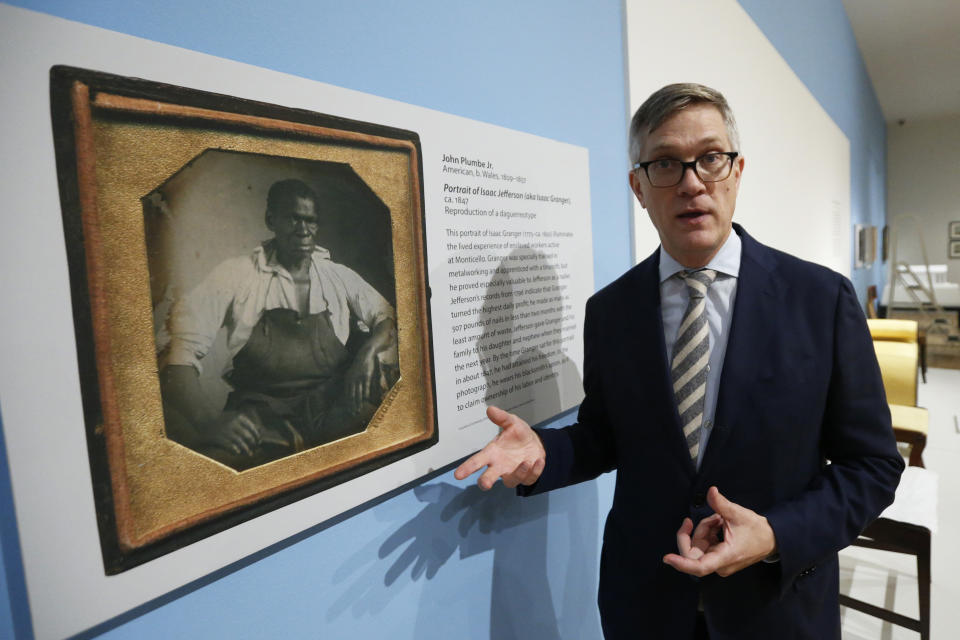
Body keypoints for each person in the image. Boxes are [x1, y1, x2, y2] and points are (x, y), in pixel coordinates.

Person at [455, 83, 903, 639]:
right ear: (638, 187)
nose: (692, 183)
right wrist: (545, 451)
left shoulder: (821, 300)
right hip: (645, 603)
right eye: (665, 163)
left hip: (775, 606)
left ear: (737, 171)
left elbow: (873, 466)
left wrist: (775, 534)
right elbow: (608, 436)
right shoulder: (611, 310)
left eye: (711, 159)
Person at [158, 178, 398, 470]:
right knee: (215, 476)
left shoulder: (336, 275)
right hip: (262, 417)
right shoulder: (238, 274)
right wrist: (208, 421)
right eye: (294, 219)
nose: (304, 230)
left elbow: (386, 315)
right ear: (271, 219)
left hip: (333, 407)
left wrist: (368, 352)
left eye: (311, 221)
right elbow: (176, 350)